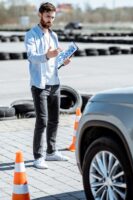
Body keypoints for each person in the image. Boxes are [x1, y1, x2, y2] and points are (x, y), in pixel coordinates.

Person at [25, 2, 71, 169]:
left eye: (52, 17)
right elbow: (31, 57)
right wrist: (47, 55)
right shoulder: (31, 34)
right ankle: (38, 157)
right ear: (40, 15)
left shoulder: (54, 36)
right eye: (47, 16)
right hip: (40, 85)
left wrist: (63, 61)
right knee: (42, 121)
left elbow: (55, 62)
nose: (50, 20)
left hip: (55, 84)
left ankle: (51, 152)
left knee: (55, 120)